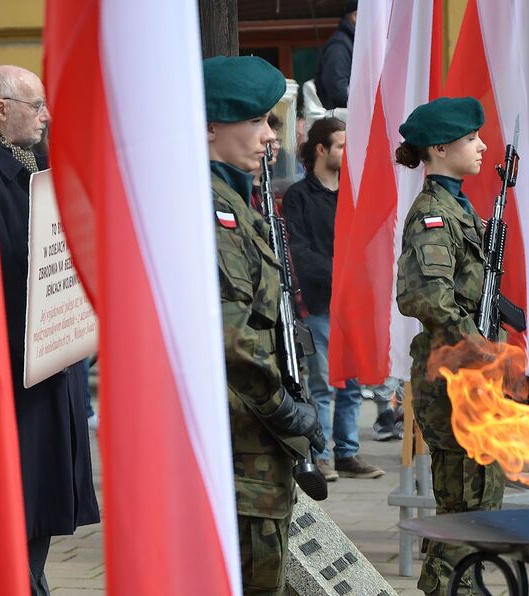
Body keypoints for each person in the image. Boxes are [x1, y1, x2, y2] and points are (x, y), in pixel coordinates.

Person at [203, 55, 324, 595]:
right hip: (237, 442)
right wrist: (282, 407)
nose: (269, 135)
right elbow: (230, 333)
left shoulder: (236, 201)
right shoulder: (207, 207)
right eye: (256, 121)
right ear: (209, 128)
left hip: (250, 441)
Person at [0, 65, 100, 596]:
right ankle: (23, 582)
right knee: (24, 488)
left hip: (54, 349)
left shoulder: (37, 161)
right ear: (1, 108)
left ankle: (33, 576)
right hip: (15, 358)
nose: (46, 116)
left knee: (48, 486)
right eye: (36, 106)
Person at [394, 96, 504, 595]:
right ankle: (449, 589)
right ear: (440, 148)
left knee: (480, 504)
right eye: (471, 138)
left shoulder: (458, 205)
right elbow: (427, 297)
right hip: (455, 375)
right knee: (465, 508)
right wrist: (478, 346)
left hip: (472, 374)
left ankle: (464, 585)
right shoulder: (433, 215)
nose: (482, 146)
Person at [283, 117, 385, 481]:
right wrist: (338, 274)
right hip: (320, 303)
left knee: (353, 383)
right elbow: (299, 249)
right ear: (321, 149)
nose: (347, 151)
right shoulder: (298, 196)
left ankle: (348, 453)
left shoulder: (352, 195)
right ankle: (321, 454)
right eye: (341, 145)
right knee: (324, 384)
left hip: (354, 305)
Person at [314, 1, 356, 110]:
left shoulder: (350, 43)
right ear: (355, 16)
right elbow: (338, 90)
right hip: (343, 121)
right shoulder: (339, 46)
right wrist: (363, 106)